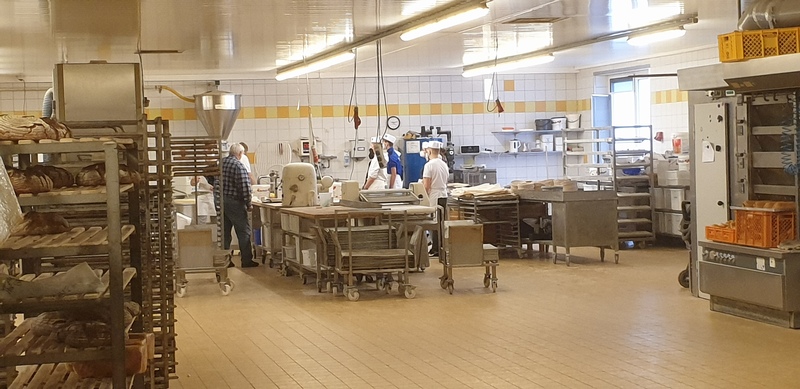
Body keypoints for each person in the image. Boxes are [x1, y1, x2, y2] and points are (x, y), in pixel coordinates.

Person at [221, 143, 259, 268]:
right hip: (235, 202)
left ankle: (226, 261)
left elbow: (209, 174)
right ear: (240, 154)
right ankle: (247, 260)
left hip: (221, 201)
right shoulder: (239, 166)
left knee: (225, 233)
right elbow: (245, 187)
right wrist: (248, 203)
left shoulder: (221, 163)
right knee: (244, 232)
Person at [422, 141, 450, 257]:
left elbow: (426, 185)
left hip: (434, 195)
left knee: (434, 223)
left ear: (429, 151)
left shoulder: (429, 165)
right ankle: (440, 247)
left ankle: (435, 249)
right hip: (443, 194)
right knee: (441, 222)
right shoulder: (444, 164)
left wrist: (423, 197)